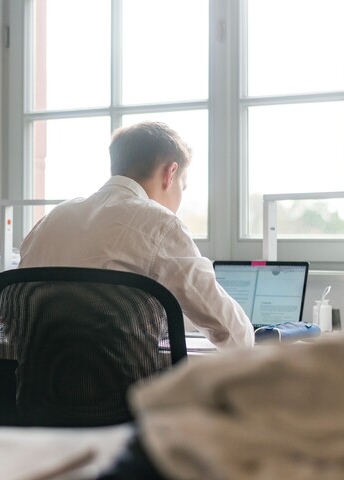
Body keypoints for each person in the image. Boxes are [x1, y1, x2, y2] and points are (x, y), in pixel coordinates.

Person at [19, 121, 254, 350]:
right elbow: (235, 336)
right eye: (182, 186)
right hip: (129, 389)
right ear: (170, 173)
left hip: (38, 388)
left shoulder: (51, 220)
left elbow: (14, 321)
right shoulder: (161, 225)